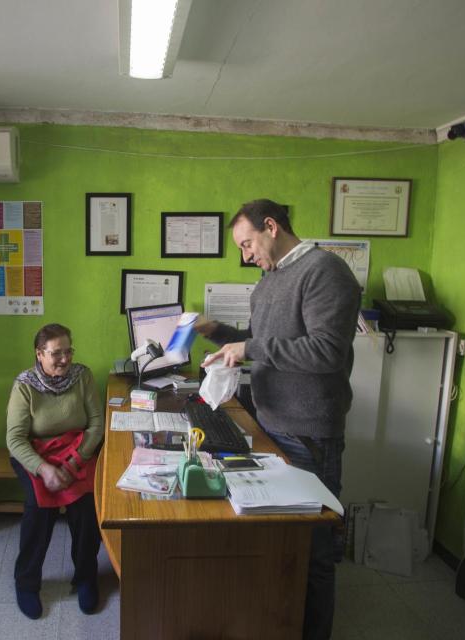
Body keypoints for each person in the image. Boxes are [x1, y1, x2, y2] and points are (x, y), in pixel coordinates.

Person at [198, 199, 361, 640]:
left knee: (314, 549)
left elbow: (326, 350)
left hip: (309, 430)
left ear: (271, 227)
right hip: (271, 422)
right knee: (278, 540)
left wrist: (249, 349)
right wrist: (217, 331)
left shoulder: (325, 272)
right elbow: (262, 341)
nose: (246, 255)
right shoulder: (270, 279)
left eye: (248, 243)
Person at [6, 323, 105, 619]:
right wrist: (44, 469)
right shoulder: (25, 385)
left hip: (77, 448)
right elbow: (14, 439)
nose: (64, 359)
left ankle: (86, 577)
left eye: (68, 351)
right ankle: (26, 582)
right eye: (56, 353)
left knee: (86, 509)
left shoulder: (82, 376)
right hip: (36, 453)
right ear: (39, 354)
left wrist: (75, 460)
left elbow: (97, 425)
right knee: (39, 510)